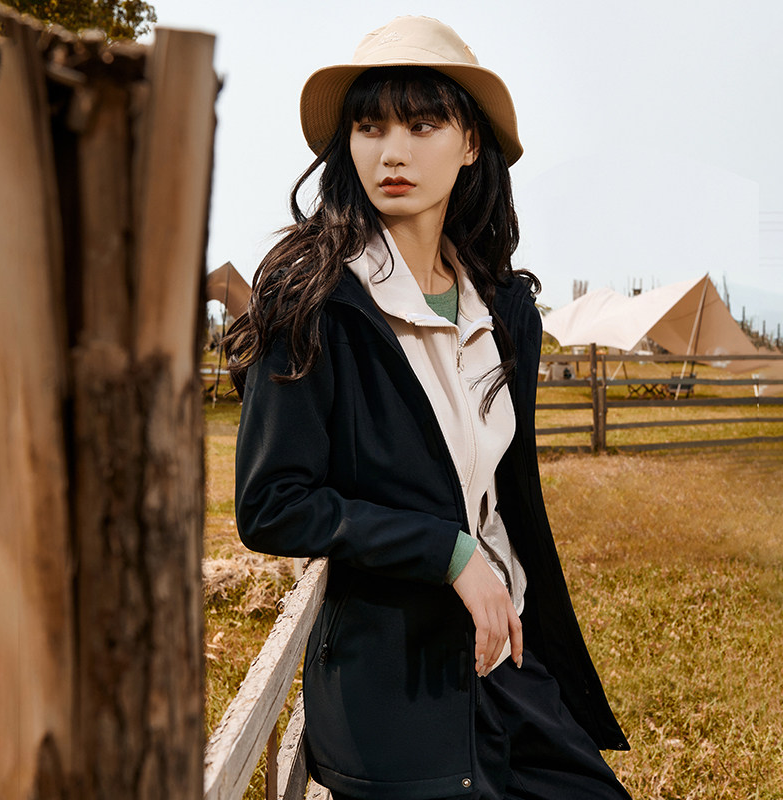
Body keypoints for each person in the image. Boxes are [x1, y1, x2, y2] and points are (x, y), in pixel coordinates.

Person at [228, 15, 632, 800]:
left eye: (422, 125)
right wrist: (447, 552)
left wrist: (499, 580)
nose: (393, 152)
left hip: (508, 667)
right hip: (395, 689)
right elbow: (272, 505)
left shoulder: (504, 310)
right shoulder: (313, 300)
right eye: (370, 127)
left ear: (470, 142)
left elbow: (501, 494)